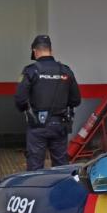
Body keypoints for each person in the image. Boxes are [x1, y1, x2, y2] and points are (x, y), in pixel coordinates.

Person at [15, 35, 81, 171]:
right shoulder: (65, 70)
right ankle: (60, 185)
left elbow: (20, 99)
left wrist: (27, 110)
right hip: (60, 125)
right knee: (61, 167)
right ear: (51, 50)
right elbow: (76, 100)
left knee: (35, 168)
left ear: (34, 51)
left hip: (37, 125)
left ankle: (36, 185)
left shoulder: (31, 71)